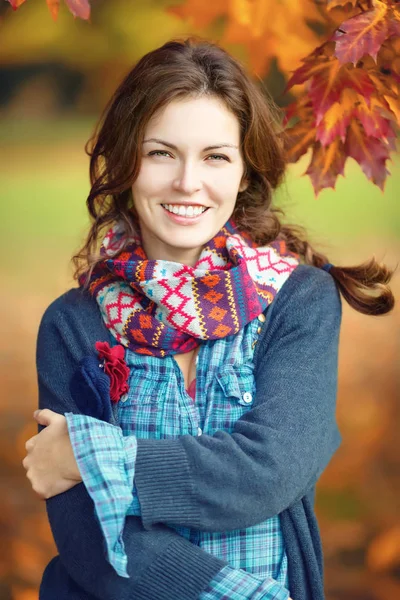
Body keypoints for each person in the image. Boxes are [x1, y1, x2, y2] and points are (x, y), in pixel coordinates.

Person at [22, 38, 394, 600]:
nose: (187, 183)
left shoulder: (298, 302)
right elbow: (88, 537)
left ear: (245, 172)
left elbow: (267, 469)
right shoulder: (74, 325)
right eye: (161, 153)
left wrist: (95, 458)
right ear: (125, 163)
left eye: (215, 156)